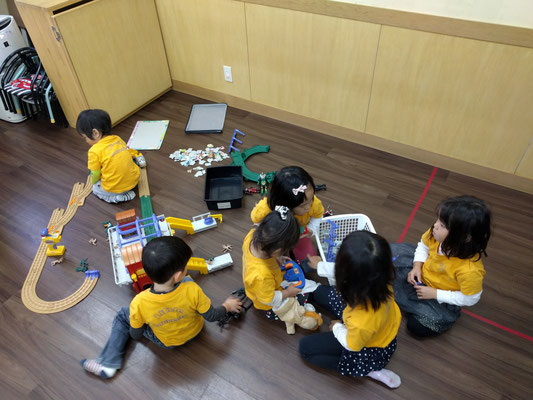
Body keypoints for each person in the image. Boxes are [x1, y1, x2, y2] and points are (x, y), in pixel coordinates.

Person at [81, 236, 242, 379]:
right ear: (178, 275)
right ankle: (107, 361)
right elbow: (212, 316)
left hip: (167, 343)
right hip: (195, 330)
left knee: (124, 315)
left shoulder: (139, 302)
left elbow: (135, 335)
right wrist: (227, 305)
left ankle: (109, 364)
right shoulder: (192, 288)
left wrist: (146, 319)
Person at [299, 231, 402, 388]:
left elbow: (352, 345)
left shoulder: (362, 321)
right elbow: (354, 270)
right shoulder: (380, 278)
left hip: (367, 347)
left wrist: (338, 327)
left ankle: (369, 370)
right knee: (318, 293)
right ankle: (312, 291)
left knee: (305, 348)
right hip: (375, 324)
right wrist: (320, 266)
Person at [391, 195, 491, 337]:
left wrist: (435, 294)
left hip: (440, 296)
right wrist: (417, 266)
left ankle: (412, 303)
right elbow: (423, 246)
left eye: (443, 225)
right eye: (438, 220)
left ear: (464, 238)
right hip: (423, 273)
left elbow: (470, 299)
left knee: (416, 328)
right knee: (390, 251)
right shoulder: (436, 232)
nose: (435, 225)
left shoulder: (469, 271)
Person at [242, 206, 322, 332]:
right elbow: (269, 299)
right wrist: (289, 293)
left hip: (267, 281)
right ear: (277, 249)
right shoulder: (261, 275)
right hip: (266, 301)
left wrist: (276, 258)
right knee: (295, 302)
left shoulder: (252, 236)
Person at [250, 166, 324, 263]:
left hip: (300, 234)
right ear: (286, 205)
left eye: (312, 199)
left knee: (307, 260)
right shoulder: (265, 210)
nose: (309, 206)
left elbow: (318, 216)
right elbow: (257, 221)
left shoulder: (312, 203)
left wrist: (312, 229)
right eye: (303, 205)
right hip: (279, 237)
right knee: (273, 260)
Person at [76, 109, 140, 203]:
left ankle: (117, 198)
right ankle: (124, 191)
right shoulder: (117, 139)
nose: (86, 141)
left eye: (85, 137)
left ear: (95, 133)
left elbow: (95, 174)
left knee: (95, 188)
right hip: (134, 181)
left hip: (116, 189)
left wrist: (93, 181)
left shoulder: (94, 151)